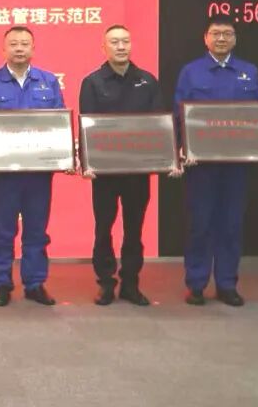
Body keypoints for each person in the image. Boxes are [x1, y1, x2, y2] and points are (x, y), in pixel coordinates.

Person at [175, 17, 258, 307]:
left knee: (231, 224)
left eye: (227, 33)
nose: (221, 38)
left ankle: (227, 284)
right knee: (200, 224)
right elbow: (178, 114)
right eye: (216, 33)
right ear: (206, 38)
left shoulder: (249, 72)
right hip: (201, 164)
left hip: (236, 164)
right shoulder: (191, 72)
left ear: (235, 39)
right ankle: (196, 284)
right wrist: (179, 148)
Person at [0, 26, 71, 307]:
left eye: (24, 44)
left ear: (33, 49)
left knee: (37, 230)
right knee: (2, 231)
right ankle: (2, 284)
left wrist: (65, 156)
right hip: (4, 173)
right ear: (3, 49)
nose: (19, 48)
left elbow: (59, 122)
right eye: (13, 43)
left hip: (38, 173)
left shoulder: (48, 81)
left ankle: (35, 283)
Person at [79, 24, 173, 307]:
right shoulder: (92, 82)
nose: (121, 47)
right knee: (103, 228)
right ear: (104, 47)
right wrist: (87, 162)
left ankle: (131, 284)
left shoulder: (147, 81)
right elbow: (86, 125)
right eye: (114, 42)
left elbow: (158, 124)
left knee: (134, 229)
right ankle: (106, 284)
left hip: (137, 172)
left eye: (125, 41)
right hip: (105, 172)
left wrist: (167, 159)